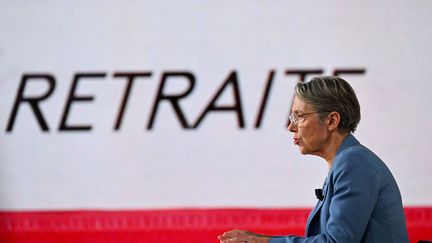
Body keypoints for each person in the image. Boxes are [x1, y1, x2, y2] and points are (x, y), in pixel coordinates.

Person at [218, 76, 409, 243]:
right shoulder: (348, 161)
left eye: (299, 116)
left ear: (332, 121)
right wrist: (261, 240)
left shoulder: (354, 163)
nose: (291, 127)